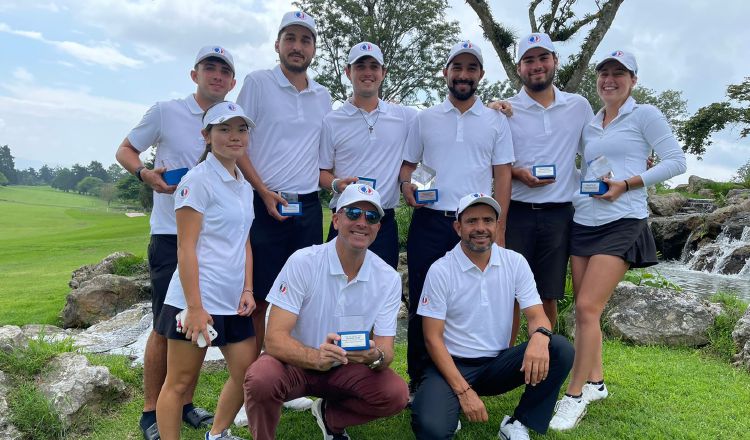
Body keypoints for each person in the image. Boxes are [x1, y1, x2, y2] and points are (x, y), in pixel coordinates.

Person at [549, 50, 687, 431]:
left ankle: (573, 397)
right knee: (581, 305)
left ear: (633, 80)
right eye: (604, 73)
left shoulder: (645, 114)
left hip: (624, 220)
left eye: (619, 74)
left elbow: (676, 161)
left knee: (587, 309)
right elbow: (576, 161)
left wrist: (626, 183)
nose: (610, 79)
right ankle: (596, 383)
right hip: (584, 221)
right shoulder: (591, 125)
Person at [115, 45, 237, 439]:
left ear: (232, 81)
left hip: (213, 242)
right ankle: (152, 411)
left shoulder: (230, 119)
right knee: (165, 326)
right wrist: (144, 175)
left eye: (223, 71)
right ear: (195, 74)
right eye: (209, 68)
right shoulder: (167, 111)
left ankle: (183, 403)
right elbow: (125, 149)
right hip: (171, 234)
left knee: (194, 328)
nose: (216, 75)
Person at [243, 184, 409, 440]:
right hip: (295, 362)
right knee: (260, 379)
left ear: (378, 227)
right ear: (336, 219)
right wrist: (314, 357)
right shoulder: (303, 261)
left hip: (346, 364)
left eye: (372, 217)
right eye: (353, 213)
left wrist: (374, 355)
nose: (362, 222)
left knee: (395, 393)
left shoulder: (388, 278)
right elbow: (274, 339)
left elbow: (386, 353)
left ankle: (332, 417)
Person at [399, 40, 514, 396]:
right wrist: (407, 188)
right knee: (423, 302)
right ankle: (420, 381)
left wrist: (500, 230)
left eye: (471, 68)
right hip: (431, 222)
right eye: (457, 68)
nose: (463, 75)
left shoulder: (496, 120)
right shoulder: (425, 118)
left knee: (470, 301)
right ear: (445, 73)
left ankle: (469, 376)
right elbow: (406, 168)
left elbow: (503, 175)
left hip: (475, 227)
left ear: (480, 74)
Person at [235, 15, 332, 411]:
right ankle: (251, 388)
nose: (298, 46)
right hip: (263, 202)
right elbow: (238, 142)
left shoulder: (323, 95)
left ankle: (292, 378)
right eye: (290, 38)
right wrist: (262, 191)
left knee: (303, 296)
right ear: (278, 45)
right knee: (259, 298)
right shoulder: (258, 83)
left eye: (306, 40)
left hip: (308, 205)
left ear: (313, 49)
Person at [154, 102, 257, 440]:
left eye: (241, 129)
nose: (234, 136)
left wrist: (248, 289)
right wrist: (196, 307)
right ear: (207, 136)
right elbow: (185, 247)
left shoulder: (243, 184)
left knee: (247, 373)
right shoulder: (196, 181)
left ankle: (217, 433)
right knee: (179, 383)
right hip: (195, 299)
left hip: (232, 297)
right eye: (224, 129)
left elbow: (243, 241)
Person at [504, 33, 595, 341]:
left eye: (543, 58)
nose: (537, 66)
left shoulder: (578, 106)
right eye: (529, 60)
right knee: (510, 293)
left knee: (548, 293)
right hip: (516, 212)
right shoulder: (505, 110)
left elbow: (597, 151)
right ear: (519, 68)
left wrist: (632, 163)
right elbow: (496, 163)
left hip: (559, 214)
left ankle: (542, 357)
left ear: (555, 61)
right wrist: (518, 174)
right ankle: (503, 360)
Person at [319, 41, 417, 270]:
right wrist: (336, 184)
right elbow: (322, 172)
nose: (367, 72)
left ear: (383, 73)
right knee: (333, 290)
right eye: (360, 66)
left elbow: (440, 118)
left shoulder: (404, 117)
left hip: (381, 222)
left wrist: (493, 106)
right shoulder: (332, 121)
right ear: (348, 72)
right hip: (345, 218)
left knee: (381, 296)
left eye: (374, 66)